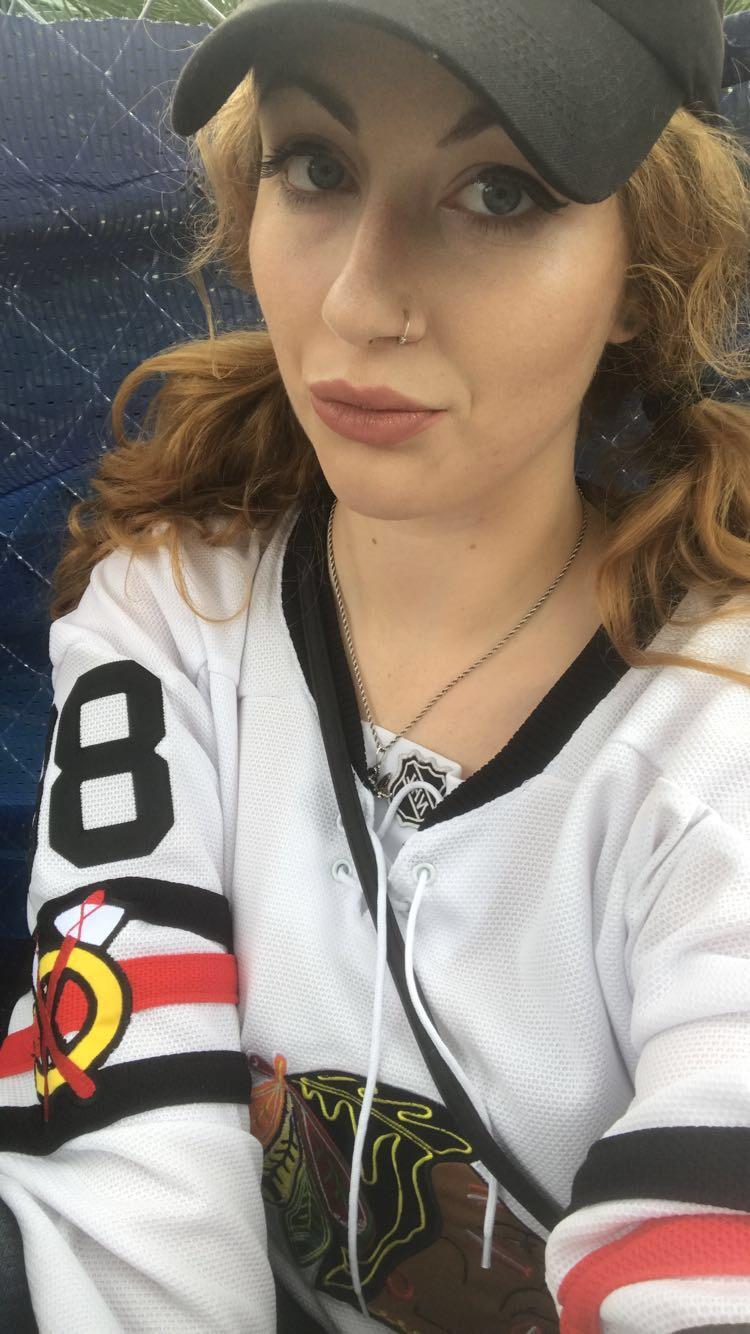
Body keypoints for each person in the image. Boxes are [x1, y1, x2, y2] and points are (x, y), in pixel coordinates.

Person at [1, 0, 749, 1330]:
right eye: (316, 167)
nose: (355, 300)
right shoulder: (170, 612)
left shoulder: (716, 739)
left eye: (499, 191)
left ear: (643, 271)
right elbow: (122, 1181)